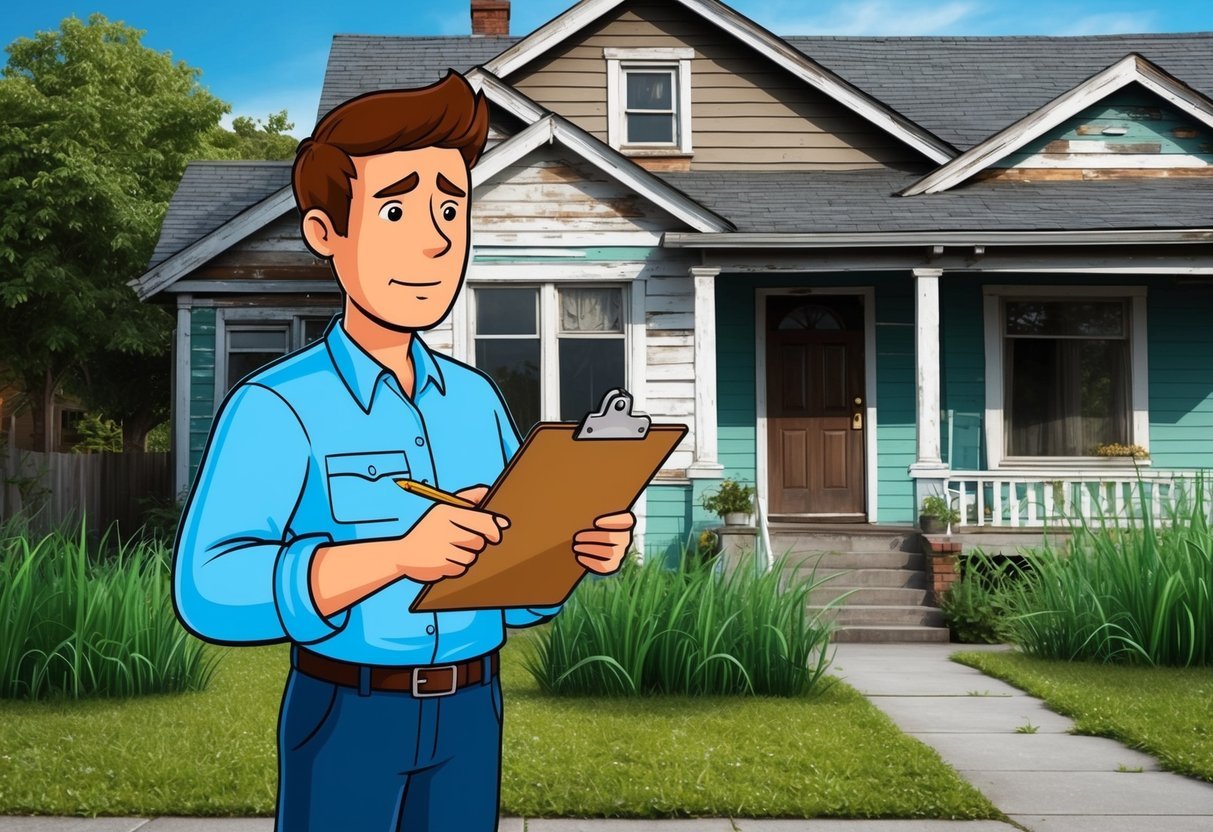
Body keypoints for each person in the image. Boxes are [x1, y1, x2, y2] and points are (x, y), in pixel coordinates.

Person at [171, 70, 635, 832]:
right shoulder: (275, 406)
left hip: (472, 713)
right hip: (347, 712)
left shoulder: (477, 400)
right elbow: (210, 590)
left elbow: (517, 595)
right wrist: (393, 557)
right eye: (395, 209)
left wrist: (569, 552)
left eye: (451, 208)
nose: (434, 239)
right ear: (326, 232)